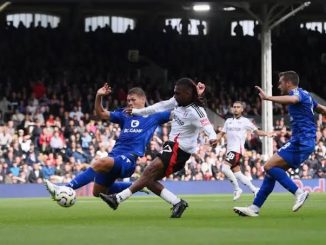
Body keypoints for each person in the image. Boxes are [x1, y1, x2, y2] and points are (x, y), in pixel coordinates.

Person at [99, 78, 217, 218]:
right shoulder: (177, 101)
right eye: (174, 92)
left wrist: (212, 136)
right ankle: (177, 202)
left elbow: (207, 124)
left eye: (178, 93)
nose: (175, 96)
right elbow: (158, 107)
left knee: (148, 172)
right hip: (171, 146)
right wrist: (136, 112)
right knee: (148, 179)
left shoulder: (197, 111)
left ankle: (117, 199)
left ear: (187, 94)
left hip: (179, 150)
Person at [45, 83, 170, 200]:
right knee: (98, 192)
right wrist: (98, 96)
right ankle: (137, 185)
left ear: (143, 99)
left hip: (129, 159)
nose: (130, 103)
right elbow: (101, 113)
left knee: (100, 162)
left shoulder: (154, 115)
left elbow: (175, 114)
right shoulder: (124, 114)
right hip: (114, 156)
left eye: (133, 100)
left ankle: (64, 188)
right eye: (128, 100)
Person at [234, 71, 326, 217]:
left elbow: (294, 100)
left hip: (300, 141)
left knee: (268, 166)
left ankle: (299, 193)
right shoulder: (307, 95)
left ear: (288, 83)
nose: (278, 86)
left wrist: (267, 98)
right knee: (271, 173)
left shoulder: (297, 93)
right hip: (305, 142)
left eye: (280, 82)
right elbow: (321, 109)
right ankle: (254, 208)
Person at [216, 101, 274, 201]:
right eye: (234, 107)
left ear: (242, 109)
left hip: (237, 150)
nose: (236, 109)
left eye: (238, 107)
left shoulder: (245, 121)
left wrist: (267, 133)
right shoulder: (228, 121)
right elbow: (221, 133)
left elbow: (257, 132)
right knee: (238, 174)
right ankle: (254, 189)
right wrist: (215, 139)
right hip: (230, 150)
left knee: (225, 169)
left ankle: (237, 189)